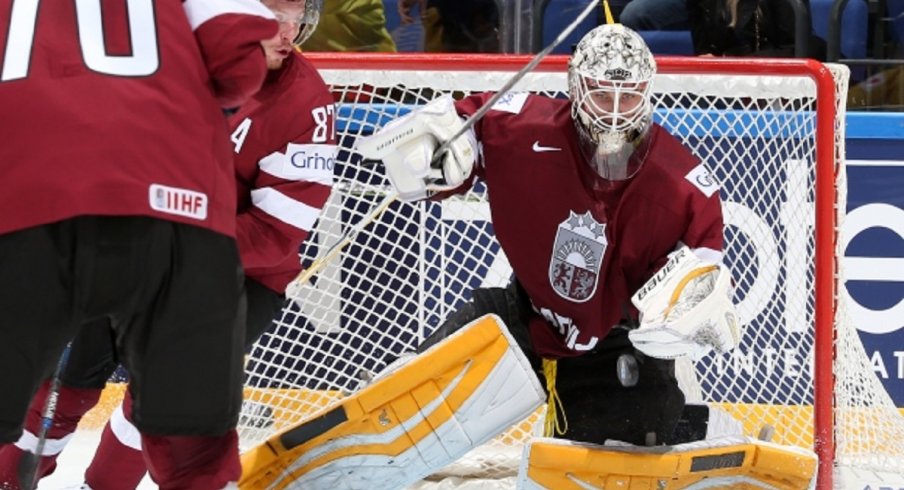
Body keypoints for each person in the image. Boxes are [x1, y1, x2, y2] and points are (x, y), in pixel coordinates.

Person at [0, 1, 335, 488]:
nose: (286, 32)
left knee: (166, 404)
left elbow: (275, 236)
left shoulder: (305, 102)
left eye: (296, 17)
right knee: (64, 387)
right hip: (134, 239)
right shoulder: (156, 57)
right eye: (269, 13)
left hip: (237, 274)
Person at [358, 23, 739, 447]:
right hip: (524, 315)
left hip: (615, 342)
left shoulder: (682, 184)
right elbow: (468, 122)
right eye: (600, 94)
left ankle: (697, 426)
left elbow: (703, 273)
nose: (614, 111)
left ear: (647, 93)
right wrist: (439, 147)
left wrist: (696, 308)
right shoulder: (526, 129)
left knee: (626, 456)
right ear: (575, 89)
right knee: (405, 404)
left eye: (628, 95)